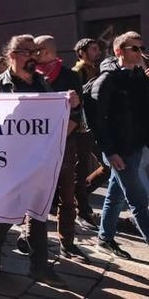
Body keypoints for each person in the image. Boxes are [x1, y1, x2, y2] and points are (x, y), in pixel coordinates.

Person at [0, 34, 79, 288]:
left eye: (36, 52)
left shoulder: (43, 84)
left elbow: (56, 119)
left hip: (37, 161)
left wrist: (70, 105)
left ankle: (39, 267)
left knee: (38, 213)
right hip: (8, 162)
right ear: (12, 55)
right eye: (27, 52)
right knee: (6, 213)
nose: (33, 57)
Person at [29, 35, 88, 261]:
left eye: (36, 50)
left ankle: (67, 242)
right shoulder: (31, 76)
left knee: (67, 195)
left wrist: (57, 138)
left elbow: (76, 111)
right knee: (35, 194)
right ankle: (30, 237)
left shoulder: (70, 76)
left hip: (64, 143)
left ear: (46, 51)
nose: (32, 54)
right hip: (35, 146)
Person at [92, 31, 149, 259]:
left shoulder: (139, 77)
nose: (140, 53)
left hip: (136, 145)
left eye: (141, 48)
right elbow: (97, 121)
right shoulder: (107, 79)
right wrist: (109, 151)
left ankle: (104, 239)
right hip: (120, 151)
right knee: (139, 201)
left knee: (115, 196)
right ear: (119, 51)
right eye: (134, 48)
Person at [72, 38, 107, 231]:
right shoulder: (78, 71)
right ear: (81, 52)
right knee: (81, 167)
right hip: (82, 129)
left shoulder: (96, 70)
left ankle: (78, 197)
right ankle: (82, 211)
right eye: (93, 49)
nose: (98, 52)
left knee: (108, 166)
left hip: (96, 126)